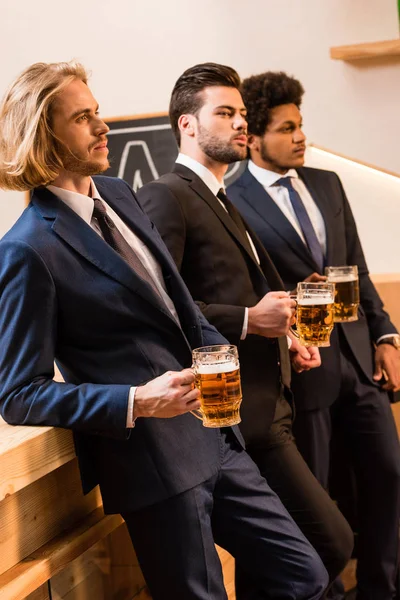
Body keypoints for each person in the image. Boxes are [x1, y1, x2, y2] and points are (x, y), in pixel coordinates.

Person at [0, 61, 330, 600]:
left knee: (305, 576)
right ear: (44, 137)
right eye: (83, 118)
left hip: (220, 436)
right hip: (155, 466)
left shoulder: (120, 195)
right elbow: (18, 395)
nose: (102, 127)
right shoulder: (26, 250)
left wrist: (258, 339)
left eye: (97, 112)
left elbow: (177, 305)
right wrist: (136, 400)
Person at [137, 62, 353, 597]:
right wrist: (252, 321)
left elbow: (241, 288)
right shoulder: (168, 193)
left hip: (268, 403)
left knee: (286, 561)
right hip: (235, 416)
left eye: (241, 114)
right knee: (330, 541)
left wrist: (289, 335)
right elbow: (162, 306)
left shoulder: (220, 194)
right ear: (187, 124)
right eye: (225, 113)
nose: (240, 124)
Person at [228, 70, 400, 600]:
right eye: (286, 128)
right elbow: (250, 286)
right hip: (301, 367)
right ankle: (328, 591)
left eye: (301, 125)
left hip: (358, 358)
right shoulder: (232, 200)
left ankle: (384, 586)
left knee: (389, 473)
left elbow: (360, 270)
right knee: (319, 492)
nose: (301, 136)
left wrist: (387, 335)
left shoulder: (328, 183)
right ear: (254, 138)